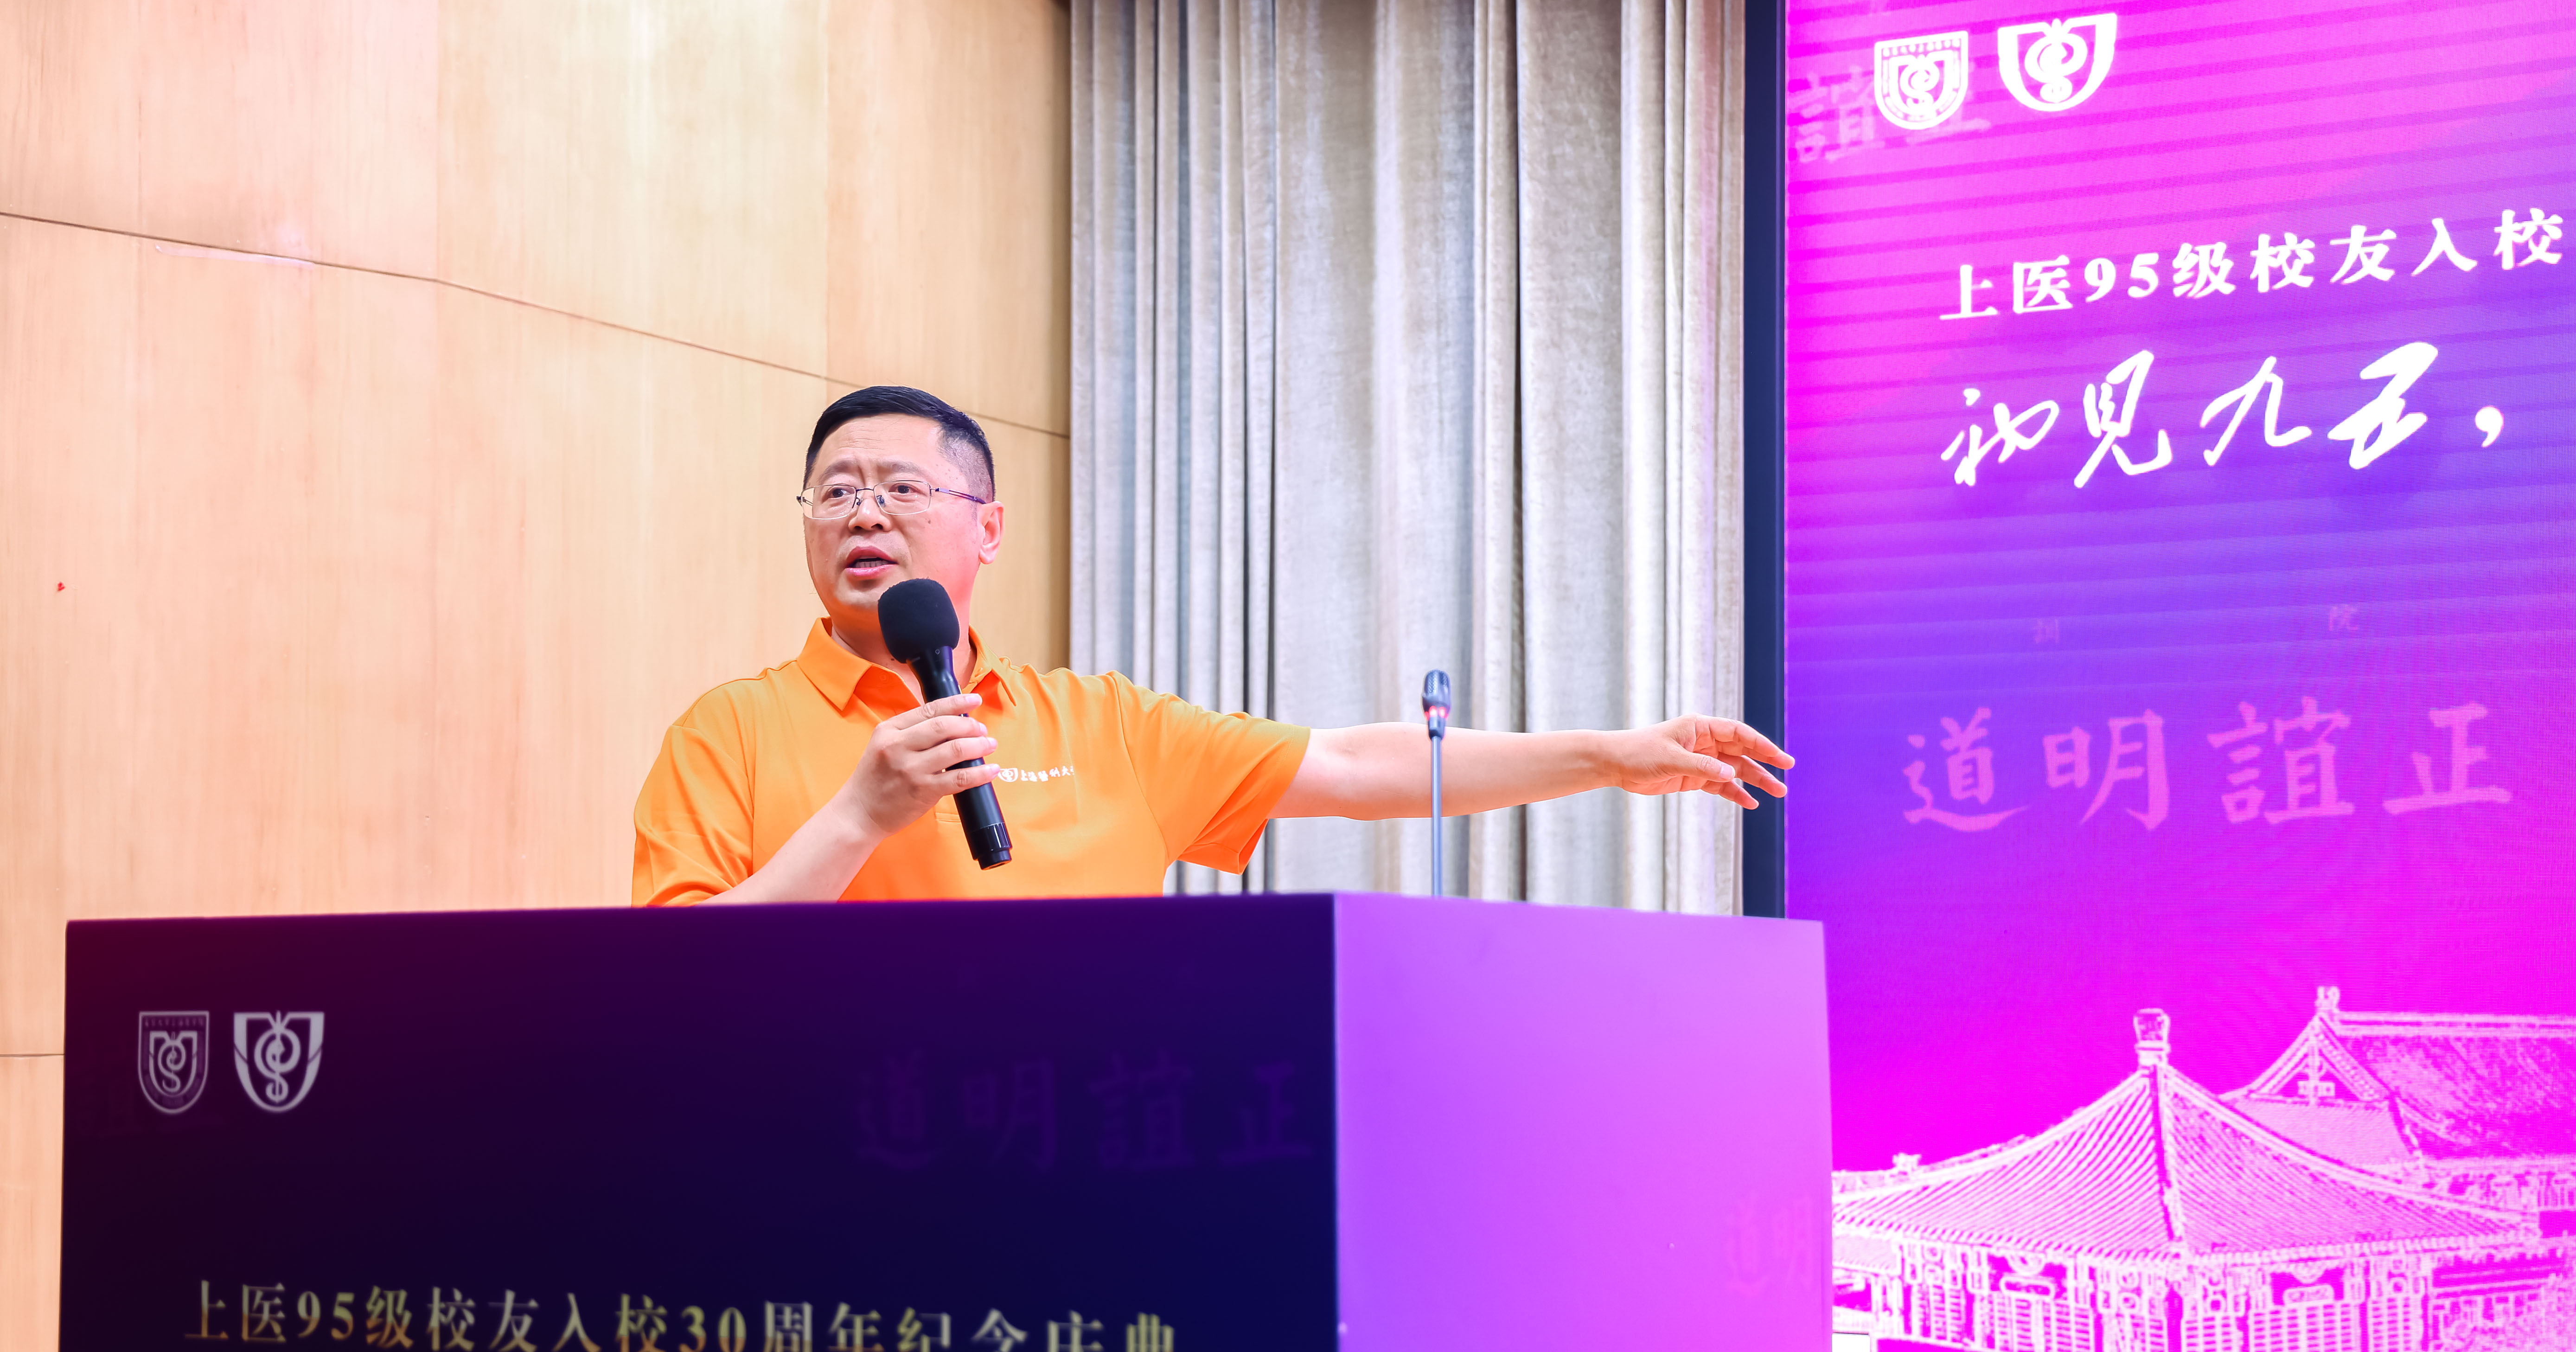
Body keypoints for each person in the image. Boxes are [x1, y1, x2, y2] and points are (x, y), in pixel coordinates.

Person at [632, 387, 1791, 904]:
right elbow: (664, 993)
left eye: (900, 487)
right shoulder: (727, 731)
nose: (864, 514)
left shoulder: (1103, 724)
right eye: (835, 492)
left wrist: (1606, 754)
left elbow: (1352, 765)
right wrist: (858, 816)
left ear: (988, 527)